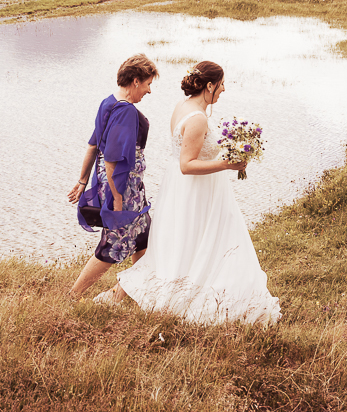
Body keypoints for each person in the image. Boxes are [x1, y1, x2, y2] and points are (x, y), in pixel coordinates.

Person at [116, 60, 280, 325]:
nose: (224, 89)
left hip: (182, 191)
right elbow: (187, 164)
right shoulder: (198, 118)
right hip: (196, 192)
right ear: (210, 85)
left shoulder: (183, 107)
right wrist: (228, 164)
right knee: (213, 241)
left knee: (188, 245)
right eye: (222, 84)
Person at [67, 53, 158, 300]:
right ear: (136, 81)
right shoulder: (126, 111)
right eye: (148, 84)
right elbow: (111, 159)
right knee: (112, 246)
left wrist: (82, 181)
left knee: (142, 239)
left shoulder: (108, 102)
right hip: (123, 189)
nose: (149, 91)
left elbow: (92, 146)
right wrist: (117, 198)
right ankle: (73, 296)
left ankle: (129, 296)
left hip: (127, 187)